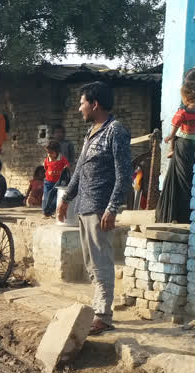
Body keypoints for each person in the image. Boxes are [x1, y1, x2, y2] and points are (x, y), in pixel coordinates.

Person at [57, 81, 132, 336]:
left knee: (101, 263)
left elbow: (124, 175)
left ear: (95, 103)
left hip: (100, 209)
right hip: (84, 207)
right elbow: (79, 170)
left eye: (82, 103)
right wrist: (66, 199)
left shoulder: (115, 131)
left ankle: (103, 315)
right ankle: (100, 308)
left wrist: (112, 208)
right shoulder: (91, 132)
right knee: (91, 264)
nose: (80, 108)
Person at [157, 81, 195, 223]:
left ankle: (179, 214)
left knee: (181, 179)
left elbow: (174, 129)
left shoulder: (183, 112)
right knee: (190, 178)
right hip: (192, 145)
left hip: (183, 146)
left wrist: (169, 138)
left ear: (185, 96)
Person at [42, 140, 70, 217]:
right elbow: (46, 168)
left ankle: (50, 211)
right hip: (48, 182)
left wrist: (65, 168)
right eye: (48, 152)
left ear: (56, 152)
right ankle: (45, 212)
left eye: (51, 153)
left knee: (55, 198)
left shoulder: (62, 159)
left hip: (57, 183)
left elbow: (67, 166)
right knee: (46, 197)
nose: (49, 154)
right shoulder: (47, 160)